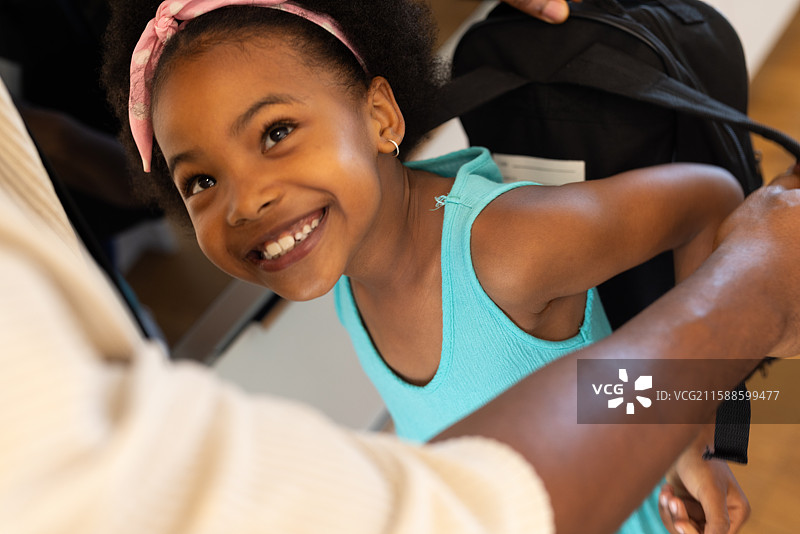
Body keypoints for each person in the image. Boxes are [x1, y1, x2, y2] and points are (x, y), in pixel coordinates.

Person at [2, 72, 800, 534]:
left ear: (380, 117)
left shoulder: (508, 248)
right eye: (201, 180)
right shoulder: (346, 276)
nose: (245, 199)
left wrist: (698, 437)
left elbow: (711, 200)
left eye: (276, 132)